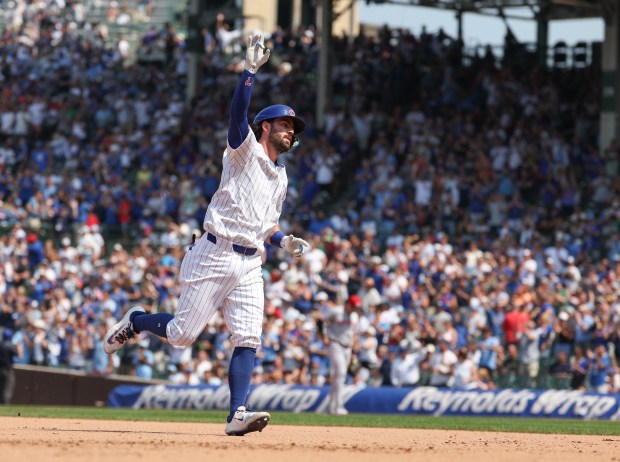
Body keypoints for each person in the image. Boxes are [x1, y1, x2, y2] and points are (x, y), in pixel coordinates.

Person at [103, 34, 309, 436]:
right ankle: (138, 320)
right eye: (285, 124)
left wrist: (284, 241)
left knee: (249, 336)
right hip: (214, 251)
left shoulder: (282, 176)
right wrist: (248, 74)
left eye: (293, 127)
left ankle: (237, 414)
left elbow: (267, 224)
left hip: (251, 261)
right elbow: (236, 116)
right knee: (181, 336)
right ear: (266, 126)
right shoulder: (244, 147)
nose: (290, 131)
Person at [323, 294, 362, 415]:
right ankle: (339, 406)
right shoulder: (336, 311)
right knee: (341, 372)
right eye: (353, 306)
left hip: (348, 348)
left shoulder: (355, 316)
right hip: (336, 344)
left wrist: (354, 349)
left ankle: (331, 406)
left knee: (338, 377)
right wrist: (325, 336)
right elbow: (323, 322)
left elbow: (354, 333)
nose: (355, 309)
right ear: (347, 304)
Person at [0, 329, 21, 404]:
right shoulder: (9, 346)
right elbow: (19, 355)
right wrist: (18, 345)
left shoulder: (1, 344)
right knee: (7, 389)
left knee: (1, 388)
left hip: (1, 368)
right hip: (8, 370)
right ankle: (5, 405)